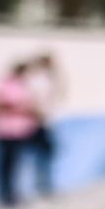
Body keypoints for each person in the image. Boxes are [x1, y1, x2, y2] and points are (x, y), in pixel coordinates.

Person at [0, 61, 38, 208]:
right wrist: (19, 108)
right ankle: (5, 197)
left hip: (20, 130)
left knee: (15, 164)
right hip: (5, 131)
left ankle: (14, 195)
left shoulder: (24, 87)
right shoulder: (3, 85)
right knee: (5, 164)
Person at [24, 53, 61, 198]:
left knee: (47, 157)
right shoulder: (36, 80)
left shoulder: (50, 79)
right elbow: (31, 100)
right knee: (39, 157)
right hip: (36, 124)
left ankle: (46, 187)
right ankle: (41, 188)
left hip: (48, 123)